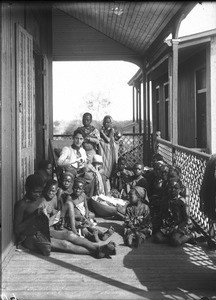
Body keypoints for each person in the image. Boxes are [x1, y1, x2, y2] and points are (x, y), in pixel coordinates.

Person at [14, 174, 116, 258]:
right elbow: (17, 230)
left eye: (40, 192)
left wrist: (52, 216)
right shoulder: (22, 205)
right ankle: (96, 252)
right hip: (30, 237)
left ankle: (98, 248)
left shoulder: (40, 200)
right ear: (27, 188)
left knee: (69, 234)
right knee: (64, 244)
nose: (37, 195)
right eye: (35, 192)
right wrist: (33, 217)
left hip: (44, 230)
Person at [62, 177, 115, 242]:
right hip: (73, 220)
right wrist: (79, 217)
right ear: (72, 188)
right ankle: (91, 236)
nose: (77, 190)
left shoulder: (83, 195)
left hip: (83, 217)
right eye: (76, 188)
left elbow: (86, 207)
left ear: (83, 190)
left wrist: (86, 215)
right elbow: (68, 214)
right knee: (83, 228)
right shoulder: (69, 198)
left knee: (90, 226)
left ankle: (102, 234)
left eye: (80, 189)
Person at [153, 178, 195, 246]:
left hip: (179, 226)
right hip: (168, 226)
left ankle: (190, 236)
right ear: (167, 189)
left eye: (176, 188)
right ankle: (172, 239)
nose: (173, 190)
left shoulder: (181, 201)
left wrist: (177, 226)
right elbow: (162, 214)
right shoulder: (165, 200)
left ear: (180, 190)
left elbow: (186, 219)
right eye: (171, 188)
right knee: (157, 238)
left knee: (176, 241)